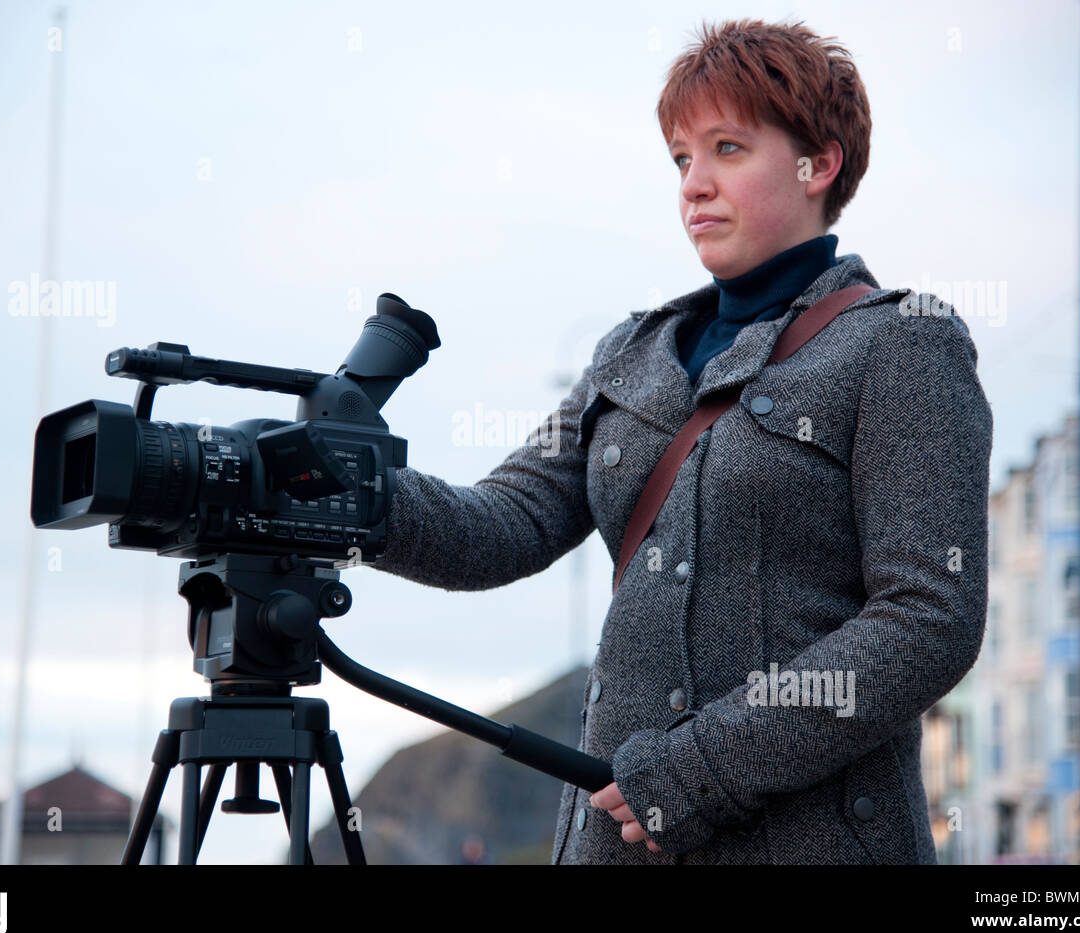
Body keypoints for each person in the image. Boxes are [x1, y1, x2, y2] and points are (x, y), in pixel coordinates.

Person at [371, 17, 993, 864]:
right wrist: (349, 493)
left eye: (728, 149)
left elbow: (930, 618)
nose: (693, 184)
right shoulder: (627, 352)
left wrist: (700, 767)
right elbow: (500, 525)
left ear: (821, 164)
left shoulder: (903, 342)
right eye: (680, 158)